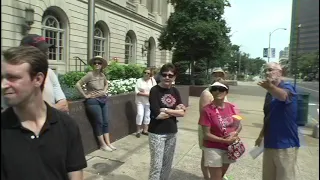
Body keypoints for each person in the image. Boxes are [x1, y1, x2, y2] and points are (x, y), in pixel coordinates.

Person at [1, 46, 87, 180]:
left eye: (12, 77)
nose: (3, 85)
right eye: (2, 77)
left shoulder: (66, 125)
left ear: (38, 79)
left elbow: (75, 171)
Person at [255, 62, 299, 180]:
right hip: (269, 143)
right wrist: (261, 135)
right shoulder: (269, 94)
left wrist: (271, 87)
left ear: (280, 72)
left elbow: (283, 96)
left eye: (270, 70)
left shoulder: (288, 87)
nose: (267, 72)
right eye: (266, 70)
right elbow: (268, 116)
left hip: (286, 145)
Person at [148, 63, 186, 180]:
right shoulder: (155, 90)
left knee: (167, 165)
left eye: (170, 75)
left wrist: (165, 109)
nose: (167, 77)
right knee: (157, 165)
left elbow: (182, 113)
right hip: (157, 133)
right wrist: (174, 111)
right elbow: (158, 115)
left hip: (172, 131)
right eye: (164, 75)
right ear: (160, 75)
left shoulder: (175, 91)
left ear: (174, 77)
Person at [199, 82, 242, 180]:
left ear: (226, 92)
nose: (218, 91)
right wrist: (224, 140)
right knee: (216, 178)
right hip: (213, 148)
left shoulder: (231, 107)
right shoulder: (206, 110)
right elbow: (206, 134)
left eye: (221, 89)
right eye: (214, 89)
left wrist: (235, 133)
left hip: (229, 147)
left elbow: (239, 125)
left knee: (221, 175)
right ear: (211, 92)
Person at [75, 56, 116, 152]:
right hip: (93, 101)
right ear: (93, 65)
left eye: (99, 63)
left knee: (105, 122)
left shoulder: (102, 75)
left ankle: (108, 143)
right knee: (99, 122)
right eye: (95, 63)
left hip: (103, 99)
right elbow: (77, 84)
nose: (97, 64)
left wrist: (104, 91)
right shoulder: (90, 74)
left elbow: (106, 84)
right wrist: (85, 95)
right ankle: (102, 144)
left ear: (102, 65)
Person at [20, 34, 69, 112]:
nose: (47, 53)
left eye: (47, 50)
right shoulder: (16, 77)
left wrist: (42, 113)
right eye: (43, 51)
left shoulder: (50, 73)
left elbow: (64, 106)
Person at [198, 67, 229, 180]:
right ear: (212, 76)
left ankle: (218, 175)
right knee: (206, 154)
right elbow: (203, 113)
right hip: (209, 129)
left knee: (221, 153)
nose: (218, 77)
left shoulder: (223, 92)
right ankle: (207, 177)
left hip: (222, 127)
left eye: (221, 74)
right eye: (215, 75)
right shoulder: (207, 93)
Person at [134, 67, 156, 138]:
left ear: (150, 75)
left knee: (147, 115)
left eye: (148, 73)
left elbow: (155, 90)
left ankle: (145, 130)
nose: (146, 74)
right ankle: (138, 131)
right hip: (140, 101)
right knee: (140, 114)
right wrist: (147, 94)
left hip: (149, 102)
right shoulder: (139, 80)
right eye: (145, 72)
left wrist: (145, 93)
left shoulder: (152, 81)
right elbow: (137, 92)